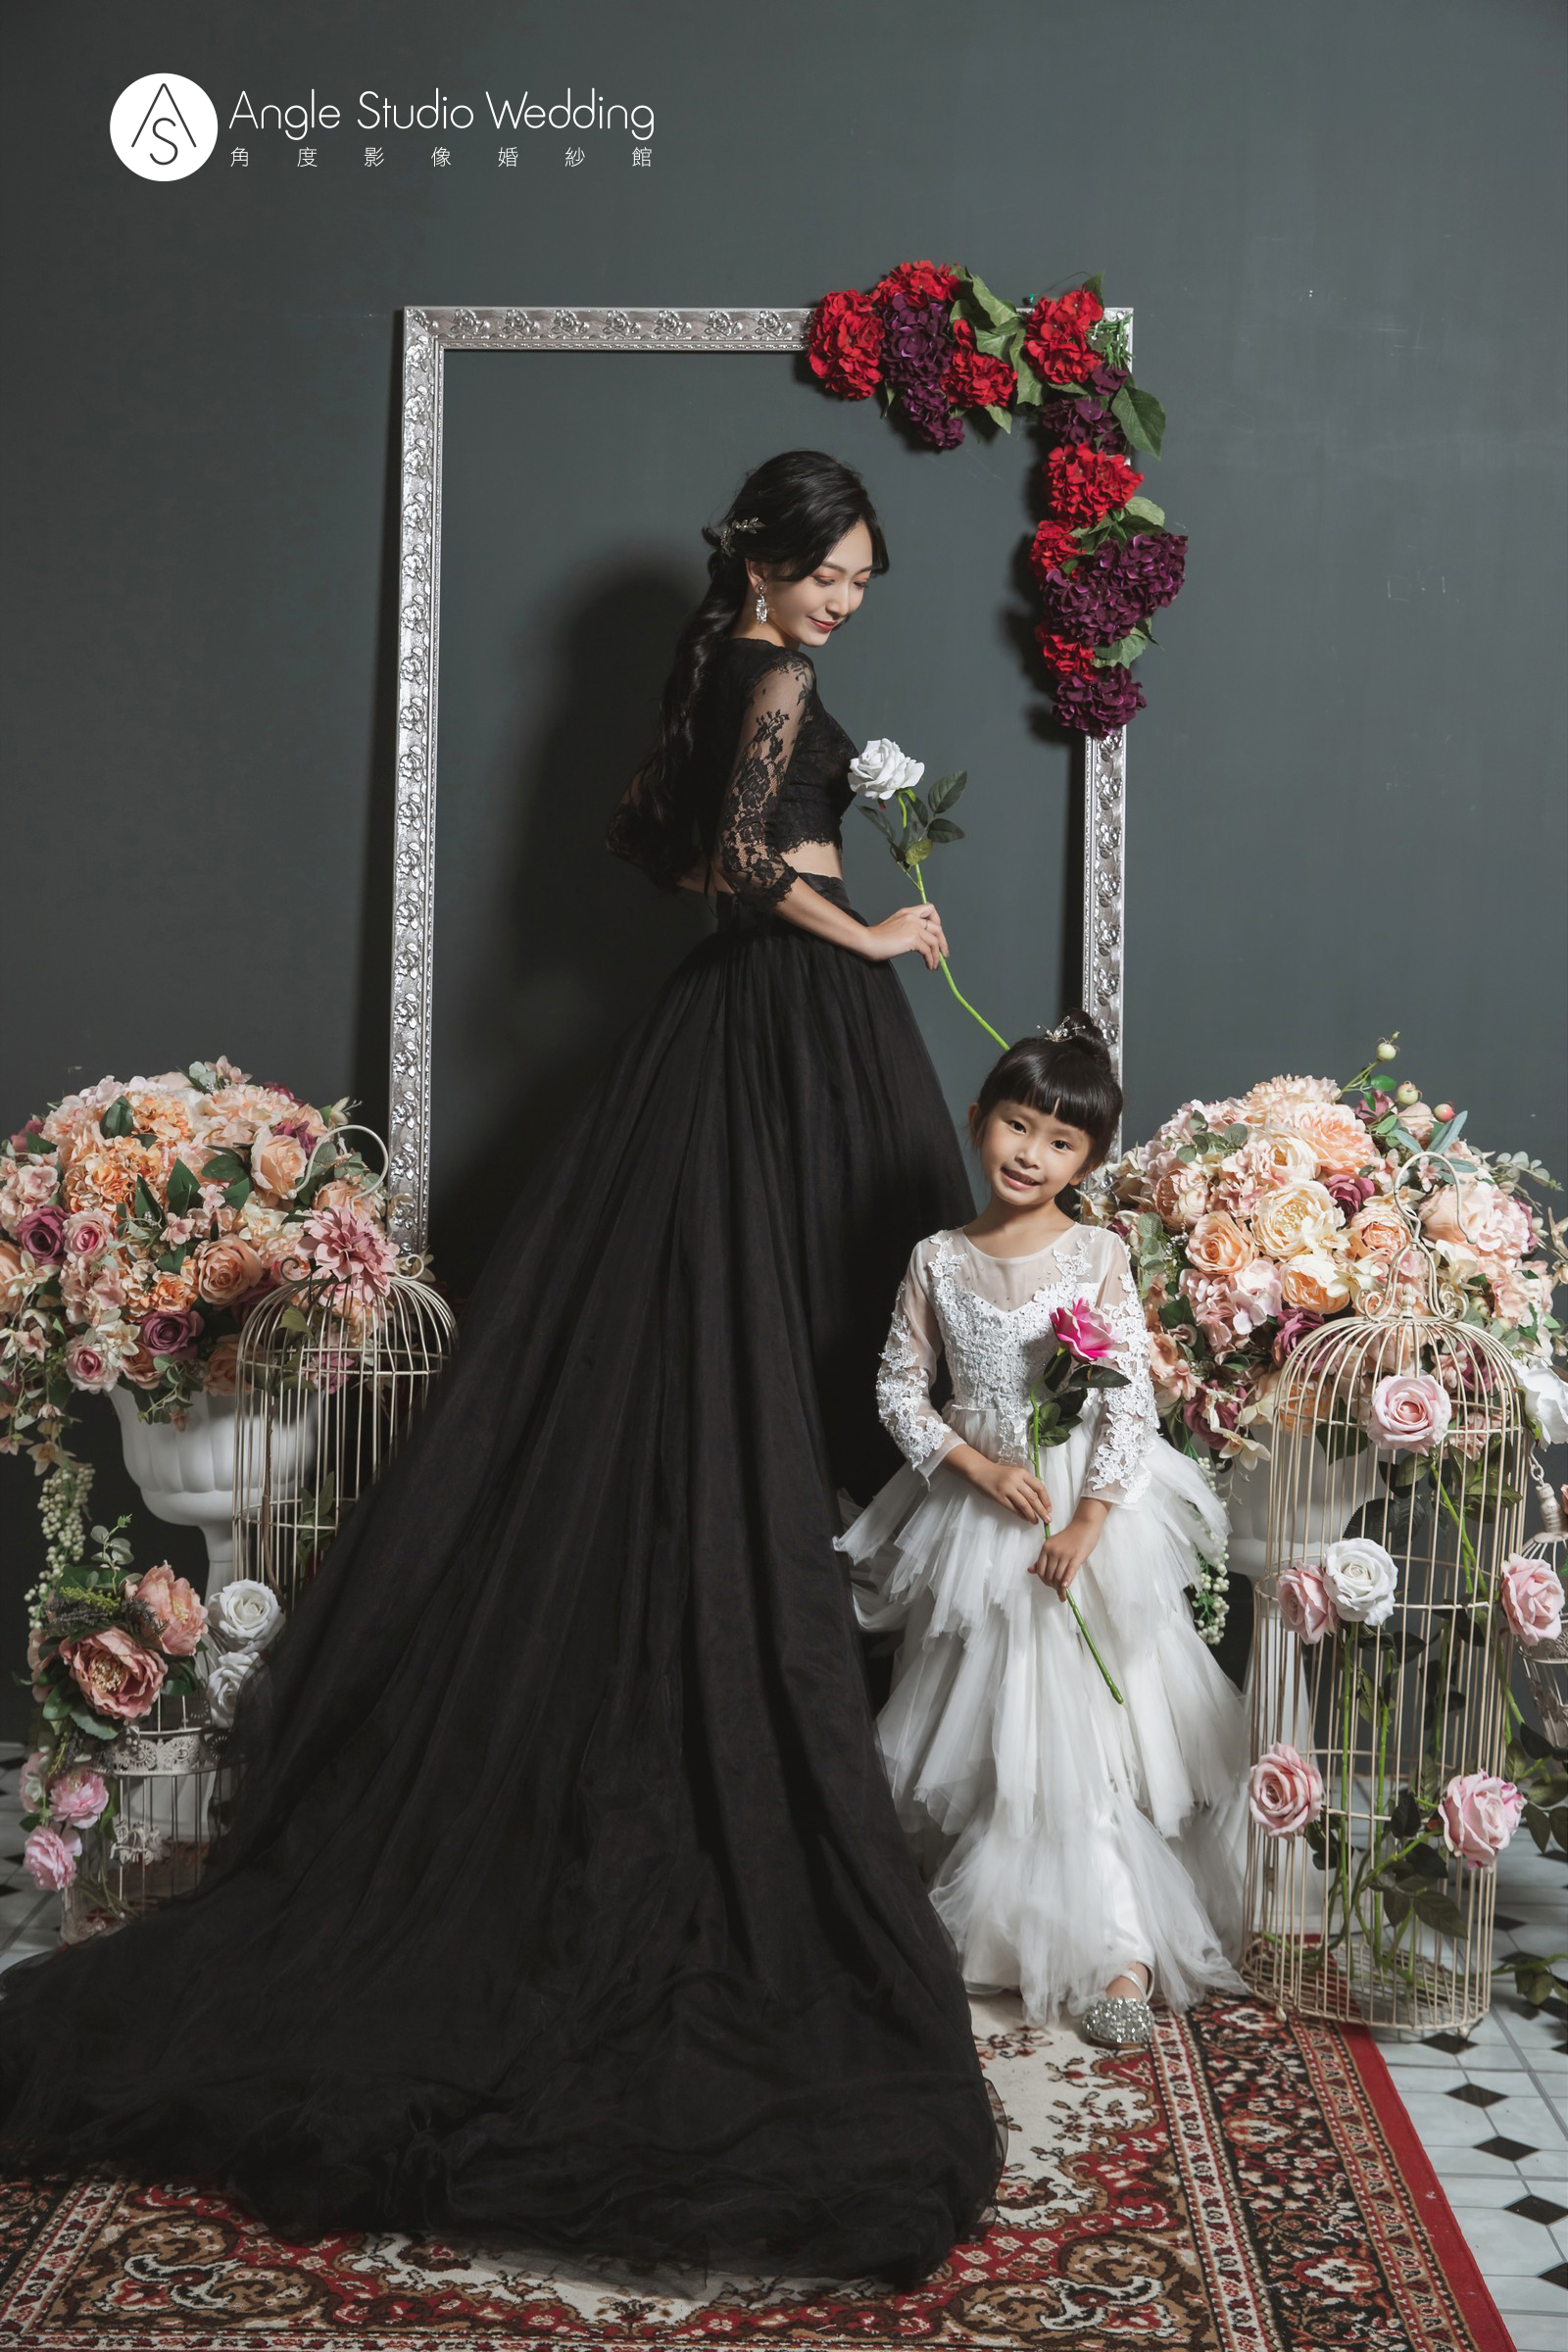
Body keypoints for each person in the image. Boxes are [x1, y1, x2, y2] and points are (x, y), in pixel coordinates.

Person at [0, 451, 1004, 2284]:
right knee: (793, 1357)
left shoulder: (720, 668)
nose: (849, 599)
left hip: (735, 1040)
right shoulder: (772, 679)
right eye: (834, 570)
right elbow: (736, 869)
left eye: (867, 577)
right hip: (785, 1027)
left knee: (743, 1357)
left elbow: (684, 851)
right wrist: (869, 926)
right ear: (768, 561)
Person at [836, 1018, 1250, 2048]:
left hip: (1080, 1509)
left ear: (1088, 1160)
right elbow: (897, 1389)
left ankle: (1121, 1949)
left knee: (1086, 1728)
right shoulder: (937, 1258)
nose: (1030, 1154)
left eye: (1060, 1143)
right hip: (979, 1510)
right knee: (997, 1726)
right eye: (1016, 1126)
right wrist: (974, 1467)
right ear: (979, 1120)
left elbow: (1126, 1401)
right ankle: (1002, 1929)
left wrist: (1091, 1521)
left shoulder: (1097, 1253)